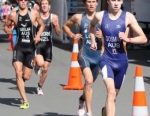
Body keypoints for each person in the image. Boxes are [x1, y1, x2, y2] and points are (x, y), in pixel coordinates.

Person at [89, 0, 147, 116]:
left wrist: (128, 39)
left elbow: (143, 38)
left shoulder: (128, 17)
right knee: (110, 92)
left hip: (122, 62)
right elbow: (91, 26)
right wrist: (93, 41)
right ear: (108, 1)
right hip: (106, 59)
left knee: (113, 97)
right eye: (113, 0)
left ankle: (104, 112)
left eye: (119, 0)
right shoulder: (100, 15)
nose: (116, 3)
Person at [63, 0, 103, 116]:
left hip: (97, 56)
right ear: (85, 4)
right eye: (89, 2)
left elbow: (109, 36)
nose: (91, 4)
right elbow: (65, 25)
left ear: (97, 4)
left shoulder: (101, 18)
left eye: (93, 2)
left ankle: (82, 99)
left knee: (89, 85)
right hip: (84, 54)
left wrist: (103, 36)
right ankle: (89, 112)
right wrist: (72, 35)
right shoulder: (79, 17)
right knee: (88, 81)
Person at [4, 0, 45, 109]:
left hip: (30, 49)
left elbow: (42, 25)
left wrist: (38, 35)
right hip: (19, 48)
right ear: (18, 1)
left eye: (25, 0)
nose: (23, 1)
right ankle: (25, 100)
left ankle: (32, 68)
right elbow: (6, 26)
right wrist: (8, 30)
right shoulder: (13, 14)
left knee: (25, 76)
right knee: (18, 72)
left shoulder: (33, 13)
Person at [34, 0, 61, 95]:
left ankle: (39, 87)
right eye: (43, 4)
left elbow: (58, 33)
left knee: (45, 69)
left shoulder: (54, 17)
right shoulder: (36, 16)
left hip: (48, 46)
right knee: (41, 63)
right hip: (38, 45)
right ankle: (37, 65)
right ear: (40, 6)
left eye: (46, 4)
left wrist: (56, 25)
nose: (44, 6)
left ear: (49, 6)